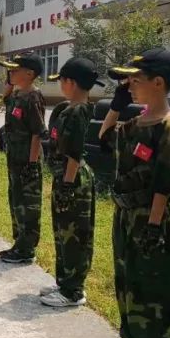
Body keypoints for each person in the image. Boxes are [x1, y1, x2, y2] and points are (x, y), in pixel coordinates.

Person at [98, 48, 170, 338]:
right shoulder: (135, 123)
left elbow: (166, 182)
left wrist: (152, 225)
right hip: (126, 215)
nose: (130, 85)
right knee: (129, 280)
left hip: (150, 219)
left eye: (135, 80)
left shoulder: (167, 126)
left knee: (152, 285)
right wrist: (117, 105)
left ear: (158, 83)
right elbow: (104, 140)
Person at [40, 57, 103, 308]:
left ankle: (73, 291)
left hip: (73, 178)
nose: (60, 86)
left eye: (62, 81)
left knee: (74, 235)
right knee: (62, 232)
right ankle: (64, 282)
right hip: (65, 176)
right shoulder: (71, 108)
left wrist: (67, 185)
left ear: (71, 82)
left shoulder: (77, 111)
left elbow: (74, 154)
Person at [0, 53, 46, 265]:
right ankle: (19, 243)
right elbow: (4, 99)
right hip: (14, 158)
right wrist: (9, 82)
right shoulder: (18, 94)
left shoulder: (33, 97)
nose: (11, 73)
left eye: (15, 70)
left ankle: (27, 249)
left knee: (28, 204)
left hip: (27, 160)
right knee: (16, 200)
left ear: (29, 73)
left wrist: (32, 163)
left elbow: (37, 132)